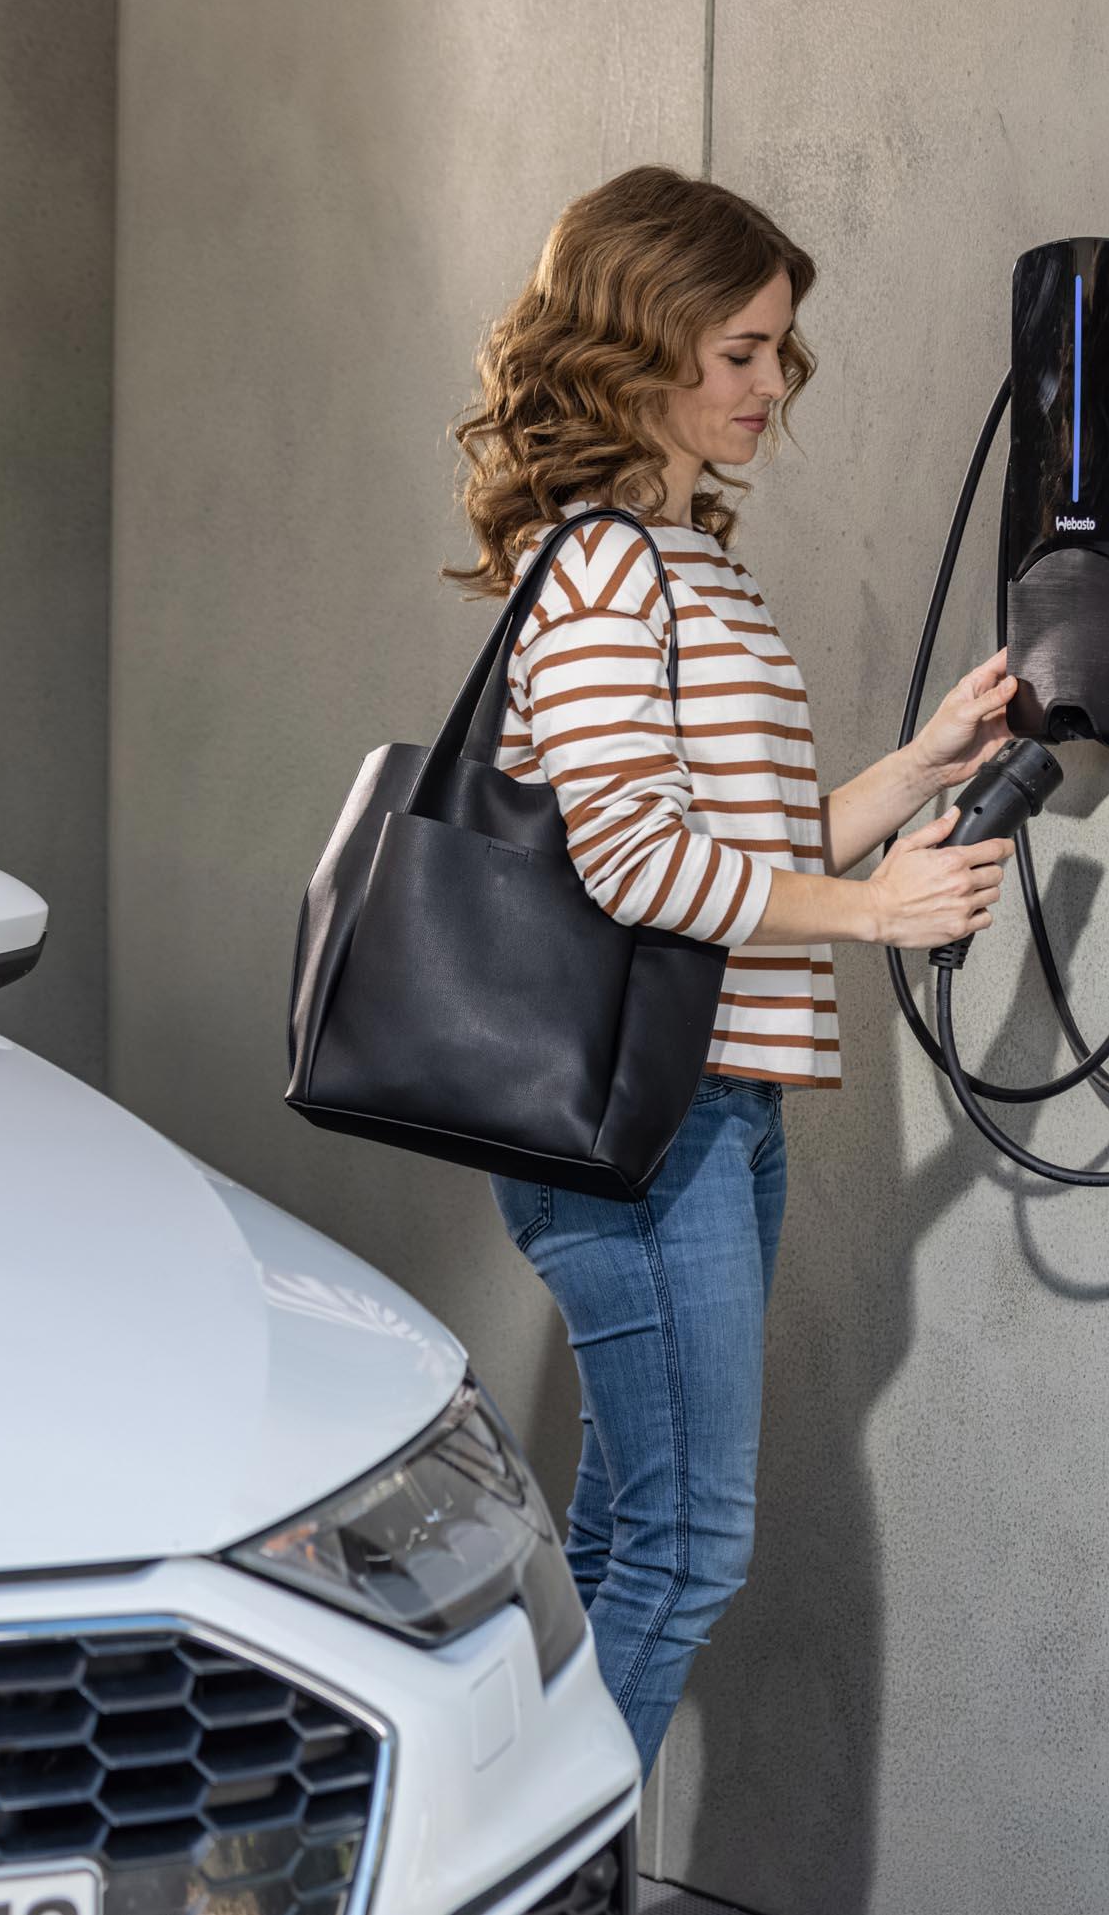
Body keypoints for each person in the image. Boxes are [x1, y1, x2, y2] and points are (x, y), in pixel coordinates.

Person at [447, 163, 1015, 1768]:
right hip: (648, 1122)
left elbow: (737, 842)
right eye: (743, 351)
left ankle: (526, 1861)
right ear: (641, 345)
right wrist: (879, 914)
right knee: (688, 1548)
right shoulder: (611, 571)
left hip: (712, 1107)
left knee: (628, 1546)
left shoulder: (681, 562)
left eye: (781, 352)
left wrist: (916, 769)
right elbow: (632, 867)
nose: (776, 385)